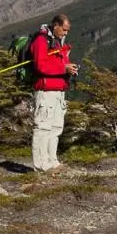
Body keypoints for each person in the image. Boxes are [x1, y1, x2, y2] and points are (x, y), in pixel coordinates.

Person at [30, 14, 78, 171]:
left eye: (68, 31)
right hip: (45, 91)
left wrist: (69, 69)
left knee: (56, 127)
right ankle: (41, 165)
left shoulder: (58, 42)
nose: (66, 33)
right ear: (55, 25)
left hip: (58, 91)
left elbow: (60, 63)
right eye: (64, 29)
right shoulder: (41, 40)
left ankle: (52, 161)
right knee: (43, 127)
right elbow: (40, 65)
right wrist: (63, 68)